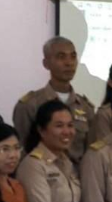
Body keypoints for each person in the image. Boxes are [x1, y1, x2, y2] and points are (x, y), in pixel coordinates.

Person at [13, 37, 95, 165]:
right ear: (46, 63)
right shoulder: (30, 105)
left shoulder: (85, 107)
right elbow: (22, 150)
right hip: (41, 172)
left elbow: (90, 152)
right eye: (61, 57)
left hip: (76, 174)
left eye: (73, 56)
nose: (69, 63)